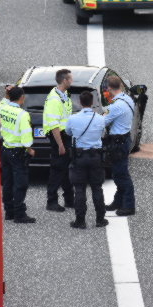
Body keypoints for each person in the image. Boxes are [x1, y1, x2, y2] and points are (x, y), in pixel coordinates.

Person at [65, 91, 108, 229]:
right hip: (95, 156)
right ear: (92, 102)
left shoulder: (72, 118)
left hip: (79, 156)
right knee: (97, 187)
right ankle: (100, 219)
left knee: (79, 189)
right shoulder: (101, 119)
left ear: (79, 102)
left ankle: (80, 220)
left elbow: (68, 132)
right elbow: (103, 134)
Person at [0, 87, 35, 224]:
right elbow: (26, 135)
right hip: (18, 152)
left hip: (5, 150)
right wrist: (29, 149)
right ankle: (19, 214)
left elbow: (1, 103)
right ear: (22, 98)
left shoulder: (3, 108)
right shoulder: (22, 114)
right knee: (21, 184)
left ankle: (9, 212)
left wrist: (6, 94)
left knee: (7, 182)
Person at [104, 75, 136, 216]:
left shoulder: (116, 106)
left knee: (121, 174)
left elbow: (103, 122)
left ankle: (128, 206)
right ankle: (119, 201)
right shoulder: (127, 99)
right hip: (124, 139)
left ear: (109, 88)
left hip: (118, 142)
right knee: (118, 173)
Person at [43, 68, 75, 212]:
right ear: (64, 80)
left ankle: (69, 199)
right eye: (70, 79)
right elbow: (54, 125)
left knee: (66, 169)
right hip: (59, 137)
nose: (72, 81)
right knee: (57, 170)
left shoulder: (64, 95)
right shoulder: (54, 100)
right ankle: (52, 201)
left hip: (65, 136)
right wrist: (60, 145)